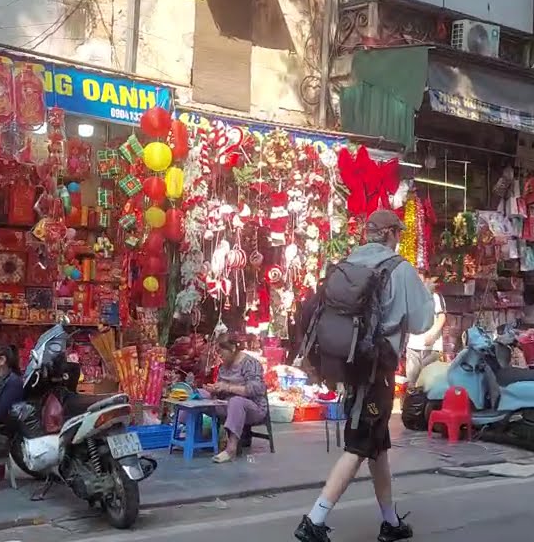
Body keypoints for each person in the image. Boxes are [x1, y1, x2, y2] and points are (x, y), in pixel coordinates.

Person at [296, 209, 434, 542]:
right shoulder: (399, 270)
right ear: (389, 234)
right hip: (377, 370)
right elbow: (422, 323)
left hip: (349, 365)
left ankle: (390, 522)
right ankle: (314, 521)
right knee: (359, 445)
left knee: (377, 444)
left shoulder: (348, 264)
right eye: (398, 233)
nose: (399, 238)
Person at [185, 334, 268, 464]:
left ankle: (231, 449)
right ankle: (194, 437)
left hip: (253, 408)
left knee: (236, 401)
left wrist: (227, 387)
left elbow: (255, 389)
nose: (220, 356)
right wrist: (214, 389)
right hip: (226, 403)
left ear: (233, 349)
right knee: (199, 394)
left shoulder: (250, 363)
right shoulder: (224, 366)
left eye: (221, 351)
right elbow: (221, 387)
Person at [404, 276, 446, 387]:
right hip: (413, 346)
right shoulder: (410, 297)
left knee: (429, 383)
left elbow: (442, 317)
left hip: (431, 348)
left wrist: (433, 334)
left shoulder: (435, 297)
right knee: (411, 383)